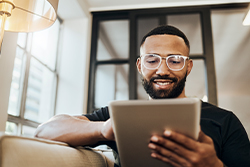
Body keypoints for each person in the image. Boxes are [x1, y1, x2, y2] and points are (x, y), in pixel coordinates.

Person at [35, 25, 250, 167]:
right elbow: (45, 131)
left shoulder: (225, 120)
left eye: (174, 60)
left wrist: (214, 165)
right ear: (140, 65)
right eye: (152, 60)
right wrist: (103, 129)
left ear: (188, 66)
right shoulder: (118, 116)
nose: (162, 70)